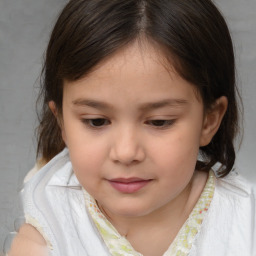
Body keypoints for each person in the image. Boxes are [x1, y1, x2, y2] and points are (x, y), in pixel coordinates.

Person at [7, 0, 256, 255]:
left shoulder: (245, 223)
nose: (126, 152)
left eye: (159, 122)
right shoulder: (47, 232)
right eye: (96, 121)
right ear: (61, 121)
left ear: (209, 120)